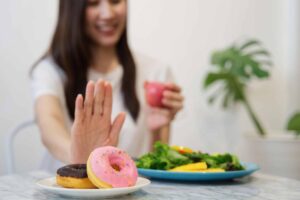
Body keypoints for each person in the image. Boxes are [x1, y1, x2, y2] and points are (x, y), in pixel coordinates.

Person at [31, 0, 184, 172]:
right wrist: (80, 159)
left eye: (116, 1)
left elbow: (156, 165)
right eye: (93, 3)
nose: (108, 13)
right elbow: (49, 124)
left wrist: (158, 129)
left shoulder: (156, 72)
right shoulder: (50, 70)